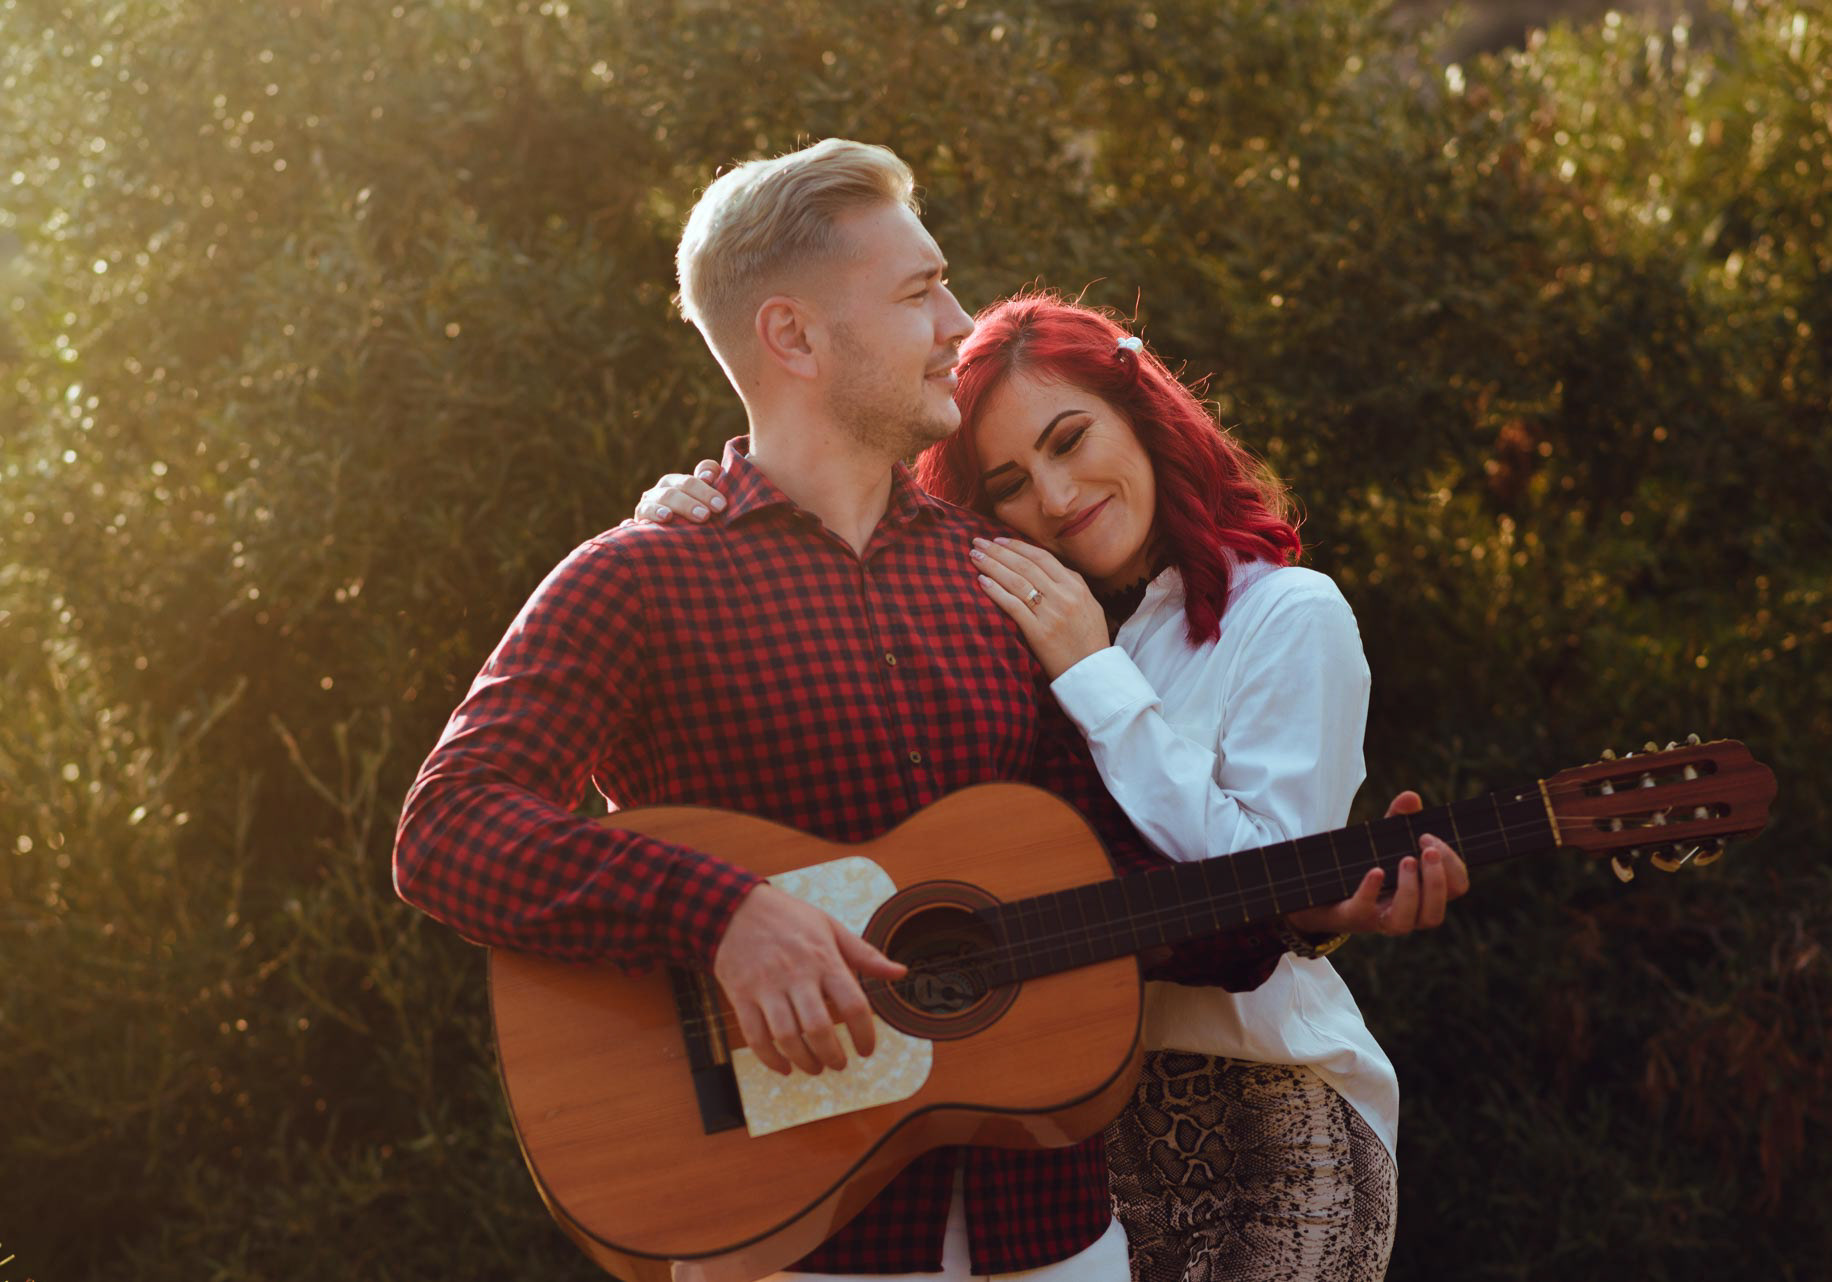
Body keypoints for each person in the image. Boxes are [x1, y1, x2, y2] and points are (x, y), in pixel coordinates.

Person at [394, 139, 1462, 1282]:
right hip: (795, 1237)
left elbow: (1100, 892)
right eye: (919, 292)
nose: (960, 321)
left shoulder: (1004, 582)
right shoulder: (639, 578)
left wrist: (1308, 906)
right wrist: (723, 915)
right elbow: (448, 827)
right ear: (793, 336)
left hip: (1058, 1236)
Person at [633, 293, 1470, 1282]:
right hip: (1056, 1138)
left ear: (1143, 411)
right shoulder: (998, 631)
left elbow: (1260, 885)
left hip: (1262, 1110)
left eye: (1071, 439)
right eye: (1012, 482)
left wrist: (1092, 674)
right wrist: (703, 519)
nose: (1059, 494)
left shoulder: (1286, 615)